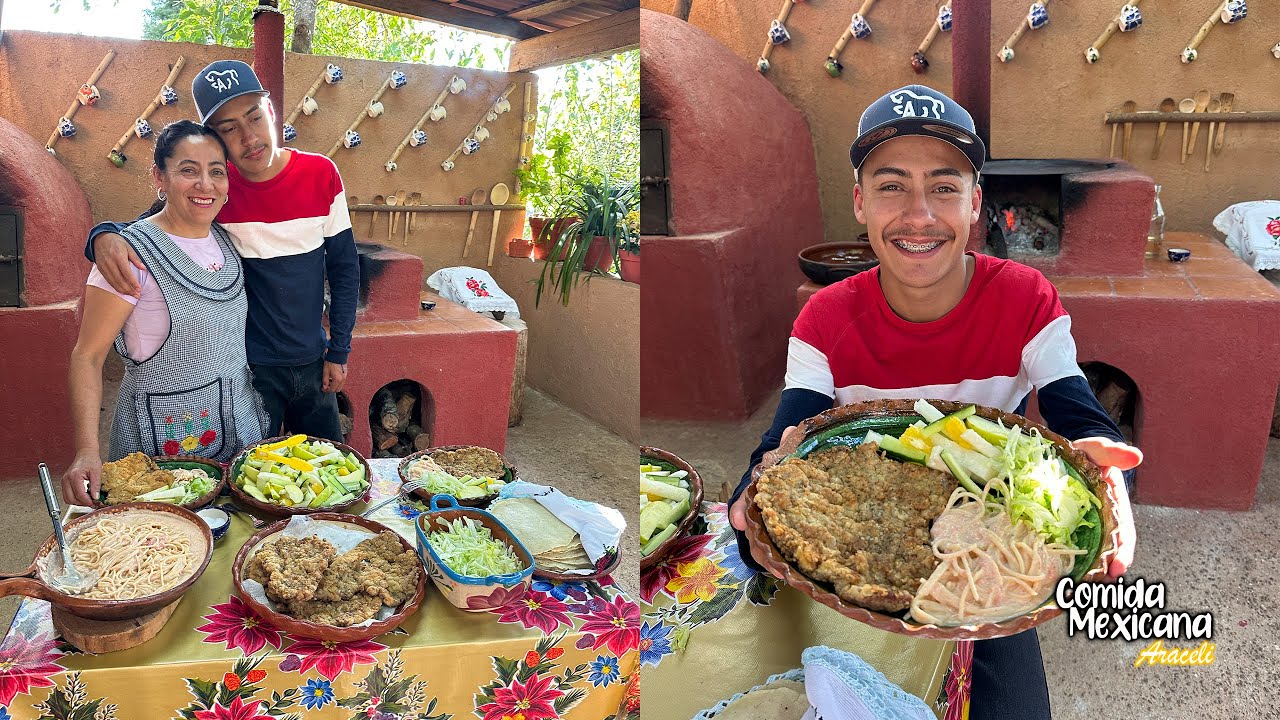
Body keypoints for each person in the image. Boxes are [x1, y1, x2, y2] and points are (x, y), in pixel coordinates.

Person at [726, 85, 1141, 720]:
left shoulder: (1025, 297)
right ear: (860, 202)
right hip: (862, 563)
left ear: (976, 204)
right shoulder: (824, 317)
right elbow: (785, 441)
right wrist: (751, 491)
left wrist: (1103, 471)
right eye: (892, 186)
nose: (919, 215)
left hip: (990, 572)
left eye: (944, 187)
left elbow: (1074, 408)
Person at [85, 60, 359, 443]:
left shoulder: (321, 174)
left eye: (255, 117)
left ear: (272, 112)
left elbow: (346, 270)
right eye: (229, 129)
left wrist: (339, 349)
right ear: (216, 138)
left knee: (330, 464)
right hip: (251, 369)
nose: (249, 138)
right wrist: (102, 235)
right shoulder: (217, 190)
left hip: (314, 359)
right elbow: (150, 224)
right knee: (258, 475)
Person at [63, 120, 269, 506]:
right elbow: (87, 356)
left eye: (216, 172)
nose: (205, 185)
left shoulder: (227, 242)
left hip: (240, 433)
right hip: (160, 444)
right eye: (188, 170)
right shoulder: (128, 254)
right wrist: (86, 449)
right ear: (159, 176)